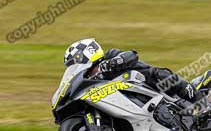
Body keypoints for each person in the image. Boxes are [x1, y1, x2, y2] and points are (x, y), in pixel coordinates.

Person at [63, 38, 203, 104]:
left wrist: (111, 64)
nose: (75, 67)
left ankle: (196, 96)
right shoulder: (90, 82)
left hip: (149, 83)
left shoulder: (110, 55)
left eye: (75, 62)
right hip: (132, 103)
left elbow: (132, 55)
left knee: (159, 74)